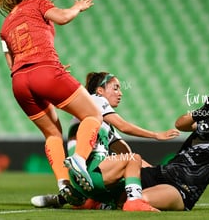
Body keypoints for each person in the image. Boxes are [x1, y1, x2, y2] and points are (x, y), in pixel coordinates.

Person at [0, 0, 102, 204]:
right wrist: (77, 7)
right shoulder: (37, 3)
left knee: (51, 133)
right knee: (93, 115)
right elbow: (62, 17)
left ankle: (64, 184)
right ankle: (79, 159)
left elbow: (10, 61)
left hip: (20, 81)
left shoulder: (5, 25)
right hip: (46, 71)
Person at [31, 72, 180, 210]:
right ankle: (134, 202)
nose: (120, 93)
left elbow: (125, 153)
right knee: (134, 160)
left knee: (133, 170)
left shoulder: (104, 124)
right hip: (89, 170)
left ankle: (84, 201)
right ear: (100, 91)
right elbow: (124, 127)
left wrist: (158, 173)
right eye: (115, 88)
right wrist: (156, 135)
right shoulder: (94, 100)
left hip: (86, 178)